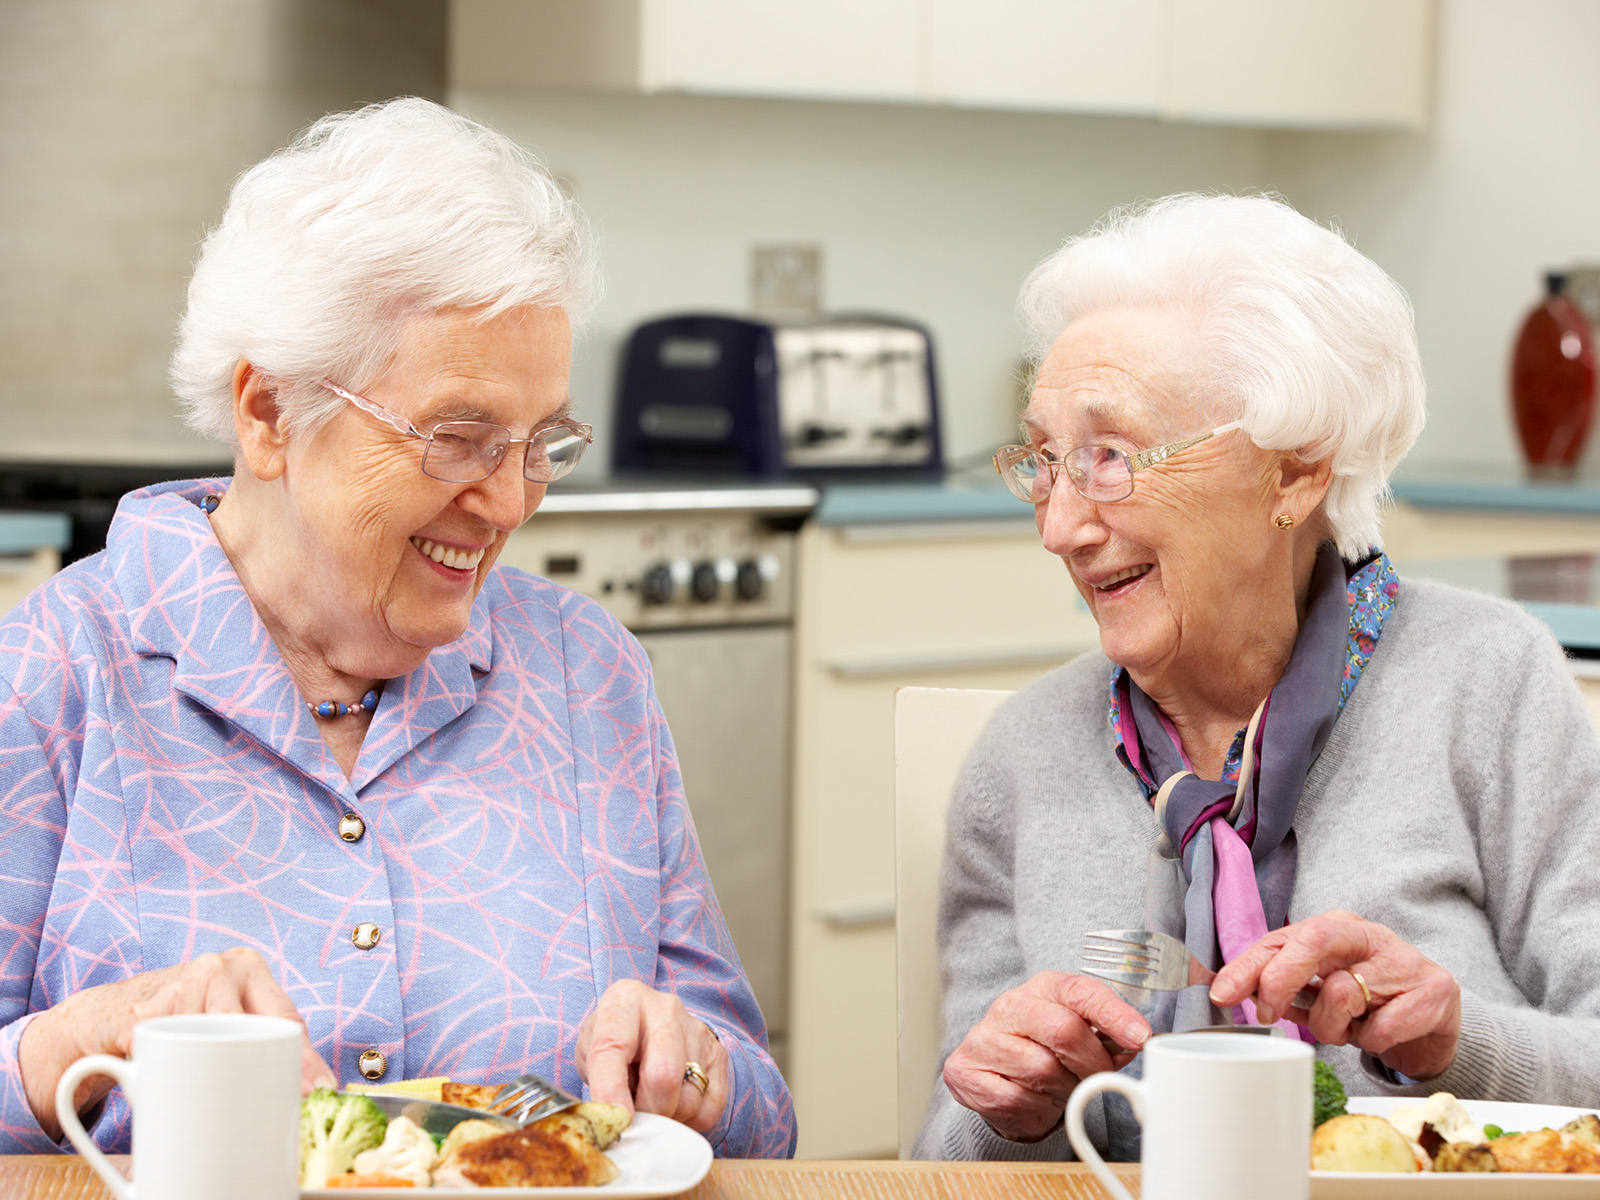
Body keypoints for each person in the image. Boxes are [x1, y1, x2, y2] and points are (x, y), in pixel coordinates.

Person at [0, 98, 796, 1159]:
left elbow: (763, 1117)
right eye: (460, 438)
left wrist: (693, 1065)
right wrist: (85, 1039)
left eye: (540, 442)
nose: (510, 503)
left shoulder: (585, 673)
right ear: (270, 414)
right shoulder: (56, 667)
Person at [914, 193, 1600, 1161]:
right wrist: (1003, 1109)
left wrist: (1460, 1040)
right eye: (1045, 460)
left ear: (1293, 474)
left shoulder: (1489, 686)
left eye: (1110, 458)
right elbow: (939, 1161)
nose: (1059, 526)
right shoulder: (1022, 760)